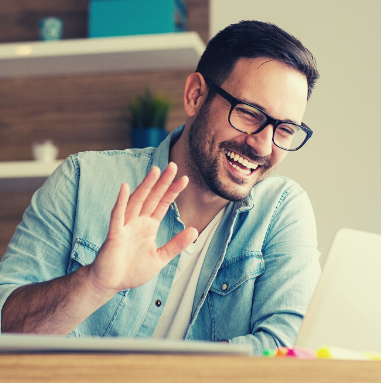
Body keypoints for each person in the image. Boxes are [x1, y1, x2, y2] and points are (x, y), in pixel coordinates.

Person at [0, 21, 320, 352]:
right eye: (251, 113)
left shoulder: (282, 210)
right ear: (195, 95)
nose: (264, 146)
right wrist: (93, 284)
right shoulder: (82, 179)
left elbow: (285, 350)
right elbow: (5, 332)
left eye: (285, 130)